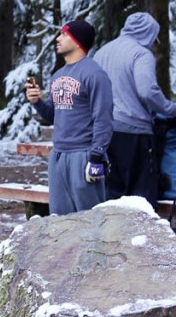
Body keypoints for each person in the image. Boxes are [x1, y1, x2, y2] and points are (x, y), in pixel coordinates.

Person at [92, 11, 176, 204]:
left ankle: (112, 234)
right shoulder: (141, 54)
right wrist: (171, 109)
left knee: (112, 194)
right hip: (134, 133)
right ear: (148, 33)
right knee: (140, 197)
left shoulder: (102, 52)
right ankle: (140, 235)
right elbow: (147, 91)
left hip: (103, 132)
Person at [24, 19, 113, 215]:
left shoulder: (95, 74)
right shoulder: (57, 76)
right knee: (59, 219)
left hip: (84, 154)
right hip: (58, 156)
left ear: (78, 40)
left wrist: (97, 156)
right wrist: (37, 102)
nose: (58, 38)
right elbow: (54, 116)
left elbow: (103, 118)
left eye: (64, 34)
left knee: (89, 217)